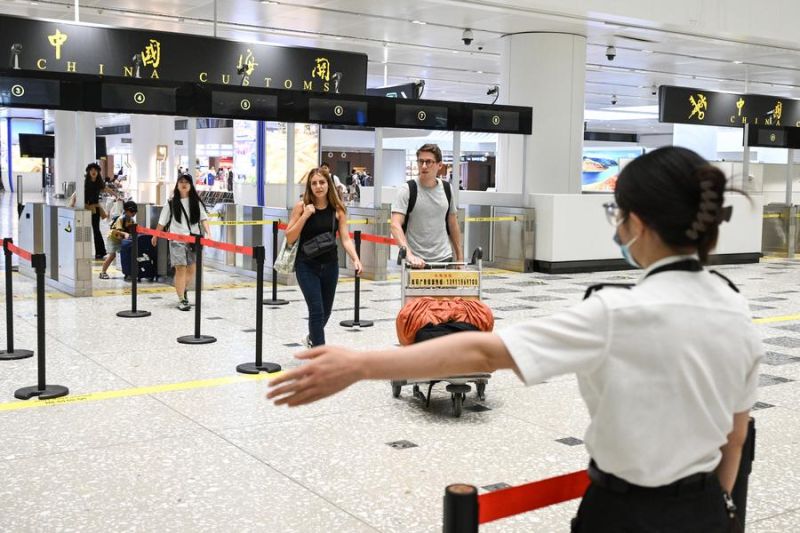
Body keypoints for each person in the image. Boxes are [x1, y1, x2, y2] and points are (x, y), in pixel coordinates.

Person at [268, 146, 763, 533]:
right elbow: (735, 437)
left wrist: (359, 364)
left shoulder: (616, 311)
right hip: (705, 512)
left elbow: (484, 350)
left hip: (625, 513)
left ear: (638, 222)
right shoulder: (737, 308)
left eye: (619, 213)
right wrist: (714, 506)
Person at [285, 167, 363, 348]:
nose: (318, 186)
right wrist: (305, 215)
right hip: (306, 265)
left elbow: (345, 238)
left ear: (329, 184)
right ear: (309, 187)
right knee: (316, 310)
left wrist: (355, 258)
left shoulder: (338, 210)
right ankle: (320, 355)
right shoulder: (301, 206)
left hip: (330, 266)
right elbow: (289, 237)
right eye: (314, 183)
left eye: (322, 182)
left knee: (326, 311)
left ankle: (312, 338)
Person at [390, 143, 462, 268]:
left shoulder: (447, 189)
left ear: (439, 165)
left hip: (444, 258)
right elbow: (395, 225)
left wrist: (459, 256)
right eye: (421, 161)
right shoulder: (407, 189)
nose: (423, 166)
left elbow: (452, 223)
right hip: (416, 261)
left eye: (429, 162)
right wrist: (409, 255)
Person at [152, 174, 211, 311]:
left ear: (191, 186)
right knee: (181, 268)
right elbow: (162, 221)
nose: (184, 184)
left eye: (186, 182)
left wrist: (209, 233)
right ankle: (182, 300)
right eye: (181, 182)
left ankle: (182, 290)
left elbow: (204, 219)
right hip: (176, 240)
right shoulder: (171, 203)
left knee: (191, 269)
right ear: (177, 185)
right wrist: (155, 235)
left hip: (193, 240)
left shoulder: (196, 202)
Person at [99, 200, 138, 280]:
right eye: (131, 211)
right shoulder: (121, 219)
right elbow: (117, 231)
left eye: (135, 212)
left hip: (121, 240)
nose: (133, 213)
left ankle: (127, 272)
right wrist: (125, 234)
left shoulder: (132, 220)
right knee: (112, 256)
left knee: (126, 255)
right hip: (113, 239)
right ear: (126, 211)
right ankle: (103, 272)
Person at [83, 162, 114, 259]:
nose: (93, 172)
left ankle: (100, 251)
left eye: (95, 170)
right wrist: (72, 202)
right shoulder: (85, 183)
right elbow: (77, 193)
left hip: (95, 209)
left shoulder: (99, 183)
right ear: (88, 172)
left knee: (96, 229)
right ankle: (83, 251)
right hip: (84, 208)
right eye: (91, 170)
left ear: (98, 172)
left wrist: (117, 195)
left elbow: (107, 189)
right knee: (84, 230)